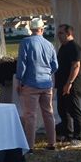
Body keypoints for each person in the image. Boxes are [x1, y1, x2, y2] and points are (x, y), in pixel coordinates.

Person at [16, 17, 58, 152]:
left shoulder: (25, 42)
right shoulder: (49, 44)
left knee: (30, 115)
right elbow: (55, 65)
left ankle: (30, 146)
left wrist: (19, 80)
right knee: (48, 113)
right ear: (42, 29)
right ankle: (52, 143)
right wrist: (46, 73)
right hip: (46, 83)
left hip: (30, 82)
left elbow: (21, 64)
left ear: (31, 29)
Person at [55, 24, 81, 148]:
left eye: (61, 33)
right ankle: (67, 134)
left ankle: (78, 137)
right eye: (58, 33)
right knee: (62, 109)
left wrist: (69, 83)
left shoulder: (74, 47)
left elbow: (76, 66)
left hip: (71, 84)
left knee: (74, 110)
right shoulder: (62, 47)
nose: (58, 35)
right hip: (61, 84)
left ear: (68, 34)